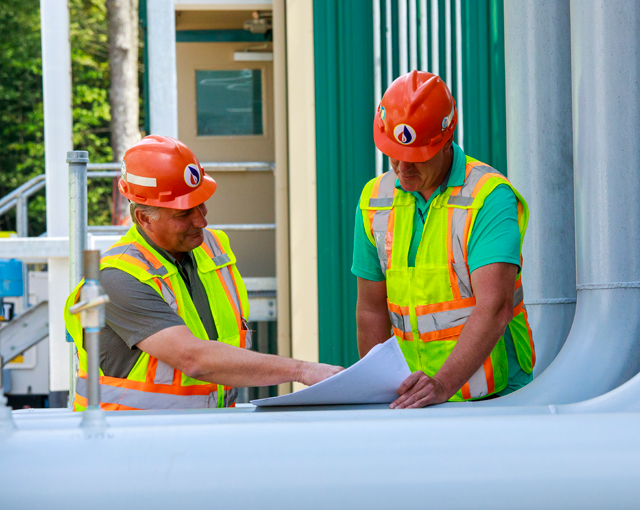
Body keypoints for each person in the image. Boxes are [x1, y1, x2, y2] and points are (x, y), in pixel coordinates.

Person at [65, 135, 341, 411]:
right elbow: (192, 358)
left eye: (201, 203)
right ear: (144, 218)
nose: (201, 220)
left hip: (203, 432)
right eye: (184, 213)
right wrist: (303, 371)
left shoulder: (211, 246)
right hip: (131, 441)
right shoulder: (118, 278)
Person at [353, 70, 535, 409]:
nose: (402, 169)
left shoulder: (488, 197)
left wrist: (441, 386)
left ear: (445, 141)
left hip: (494, 400)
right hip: (413, 401)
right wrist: (378, 392)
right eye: (394, 156)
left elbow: (495, 308)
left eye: (416, 158)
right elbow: (370, 310)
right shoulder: (373, 199)